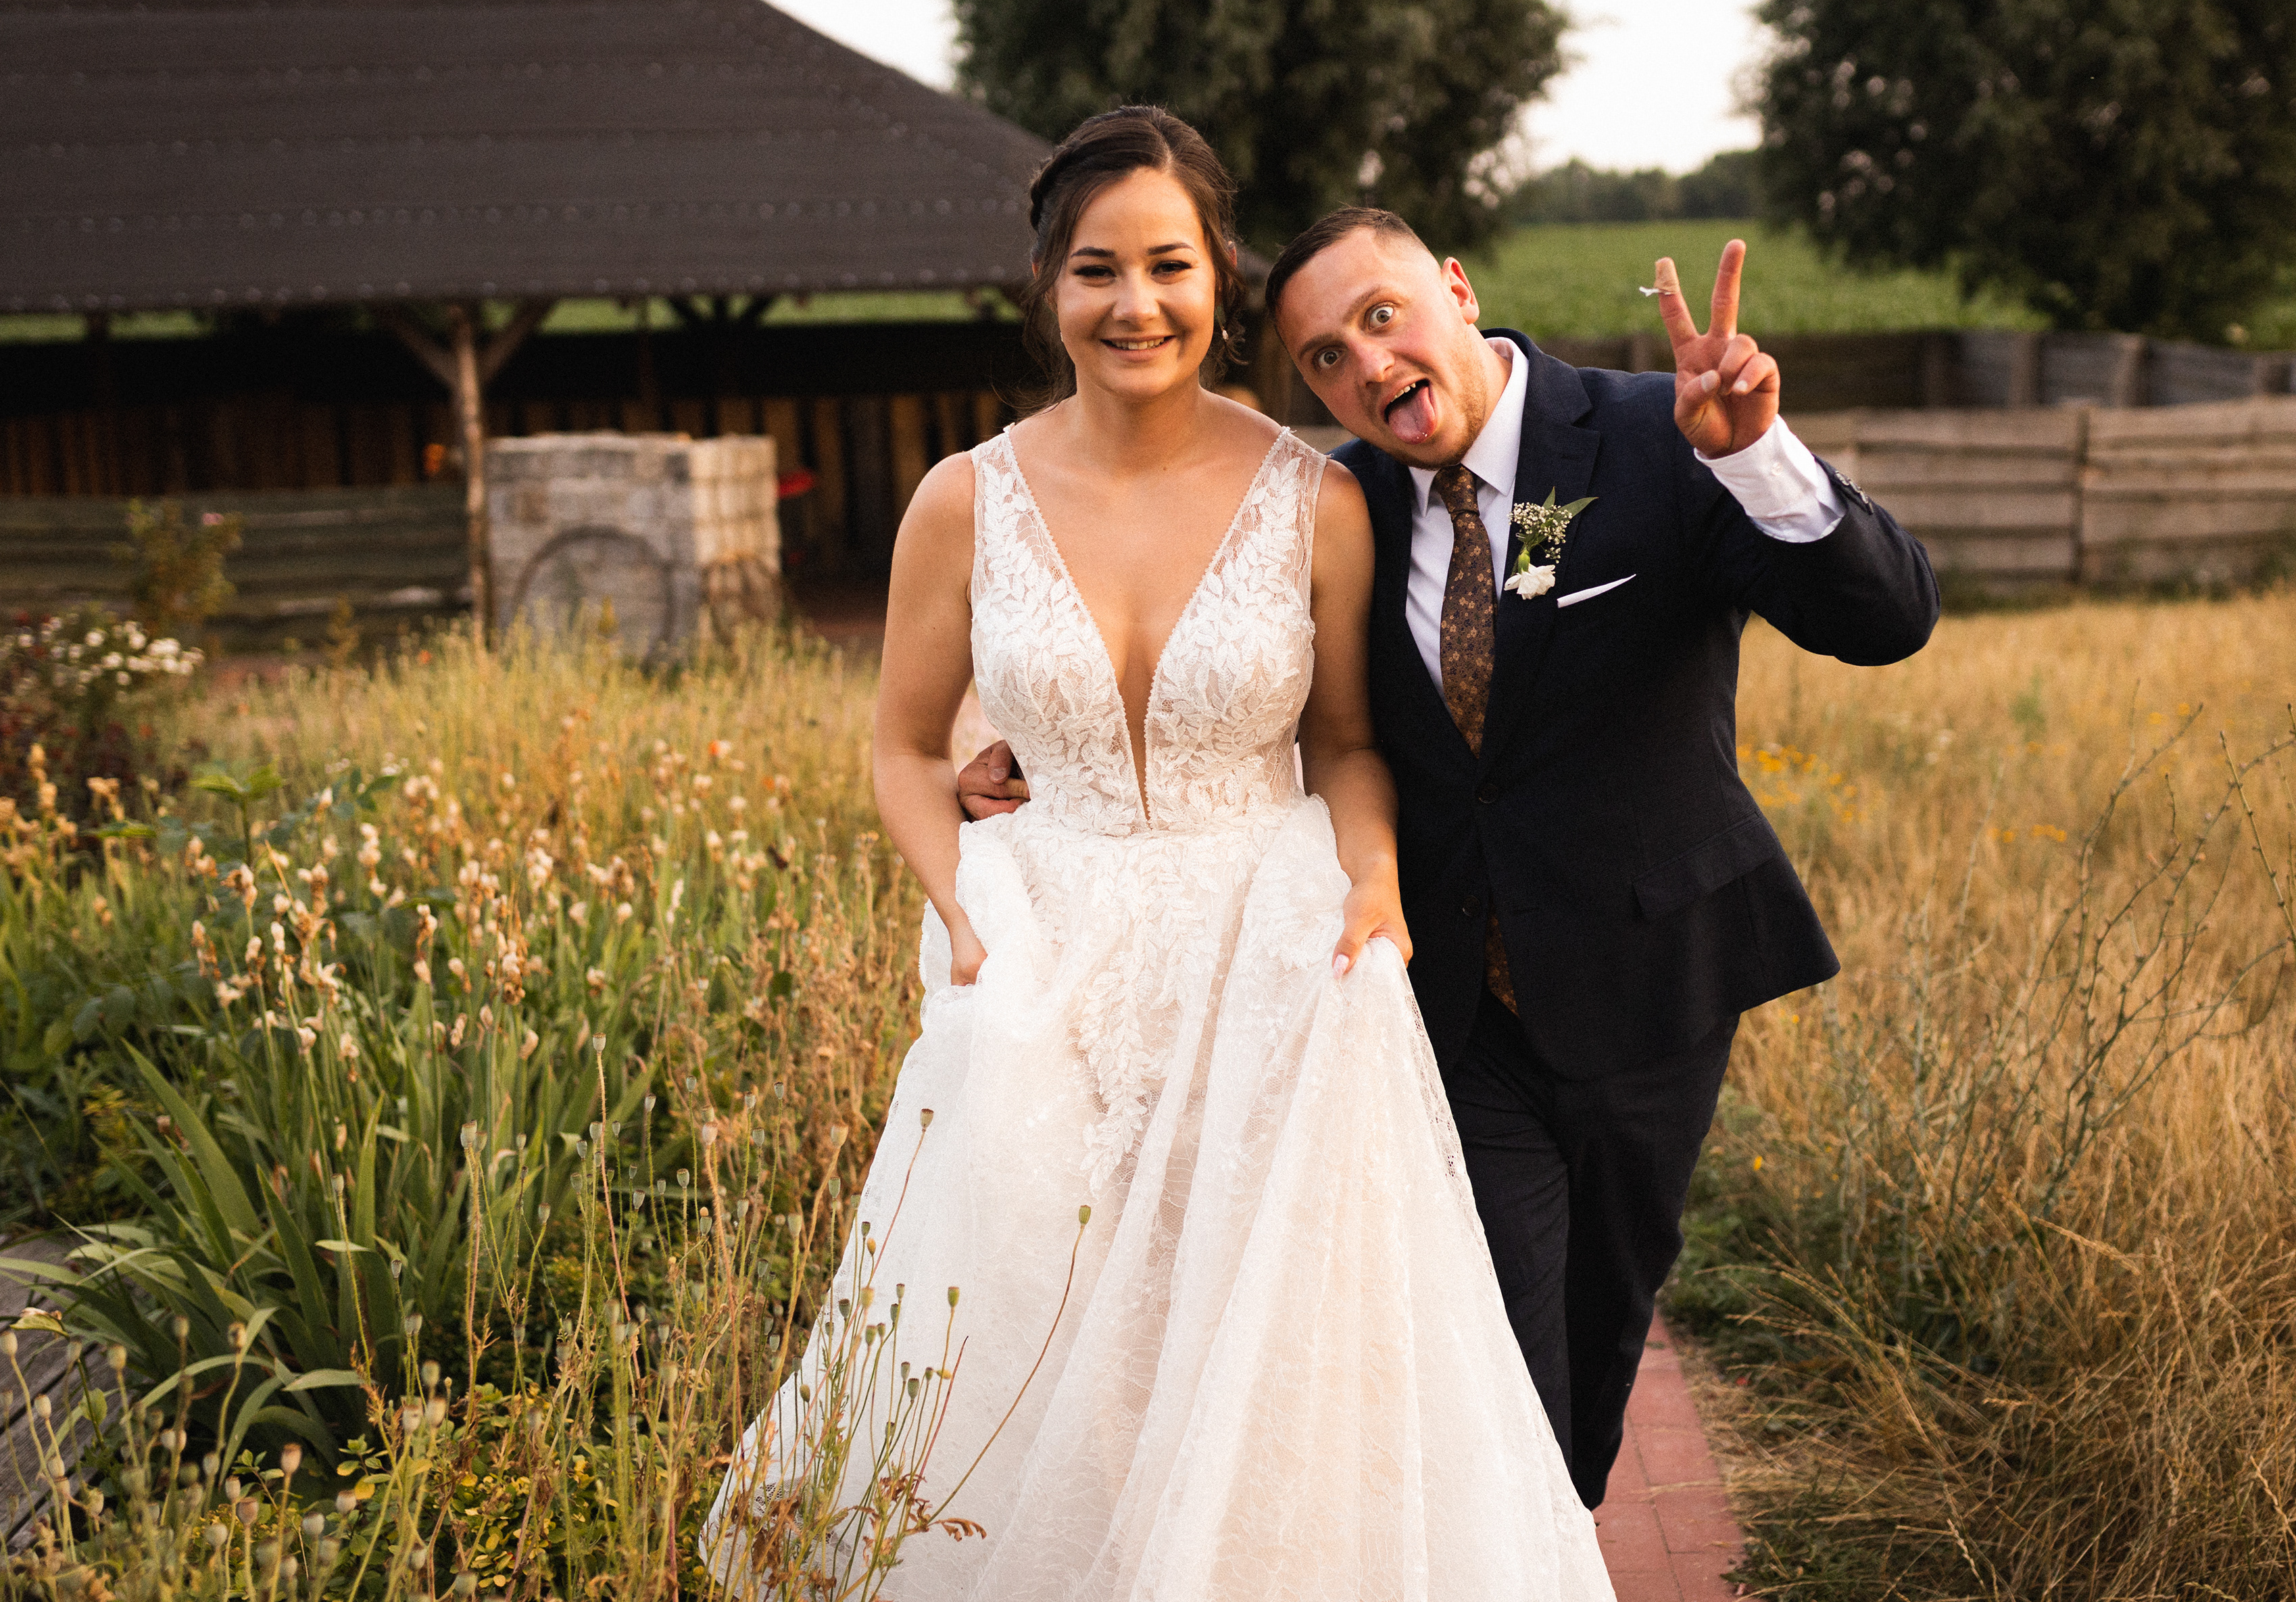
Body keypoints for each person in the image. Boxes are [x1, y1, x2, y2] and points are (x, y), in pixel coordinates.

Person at [706, 110, 1612, 1601]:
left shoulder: (1317, 499)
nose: (1136, 303)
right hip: (1042, 959)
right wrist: (967, 920)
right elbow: (905, 749)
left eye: (1171, 265)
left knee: (1253, 1336)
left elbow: (1346, 742)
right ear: (1049, 288)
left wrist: (1373, 886)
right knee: (1044, 1320)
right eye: (1097, 270)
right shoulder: (962, 501)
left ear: (1220, 278)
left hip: (1267, 953)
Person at [964, 208, 1938, 1508]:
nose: (1367, 366)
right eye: (1324, 358)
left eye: (1383, 318)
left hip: (1650, 988)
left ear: (1459, 292)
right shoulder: (1337, 506)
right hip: (1452, 1011)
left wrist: (1756, 456)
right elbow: (1237, 684)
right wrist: (1056, 748)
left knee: (1602, 1326)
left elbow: (1887, 619)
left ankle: (1555, 1536)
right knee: (1494, 1363)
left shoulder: (1663, 433)